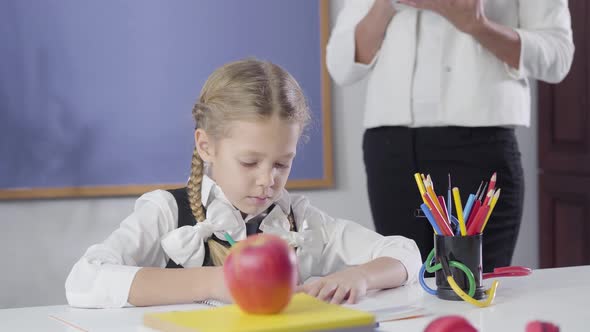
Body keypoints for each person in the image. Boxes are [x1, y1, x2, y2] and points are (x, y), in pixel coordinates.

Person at [65, 59, 421, 308]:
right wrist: (218, 283)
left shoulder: (300, 220)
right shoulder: (166, 212)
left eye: (283, 163)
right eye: (250, 162)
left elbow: (405, 253)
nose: (269, 180)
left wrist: (359, 278)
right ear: (206, 146)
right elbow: (85, 280)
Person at [326, 0, 574, 271]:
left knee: (474, 288)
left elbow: (558, 56)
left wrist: (478, 26)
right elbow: (341, 66)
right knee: (401, 284)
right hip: (390, 149)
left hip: (480, 146)